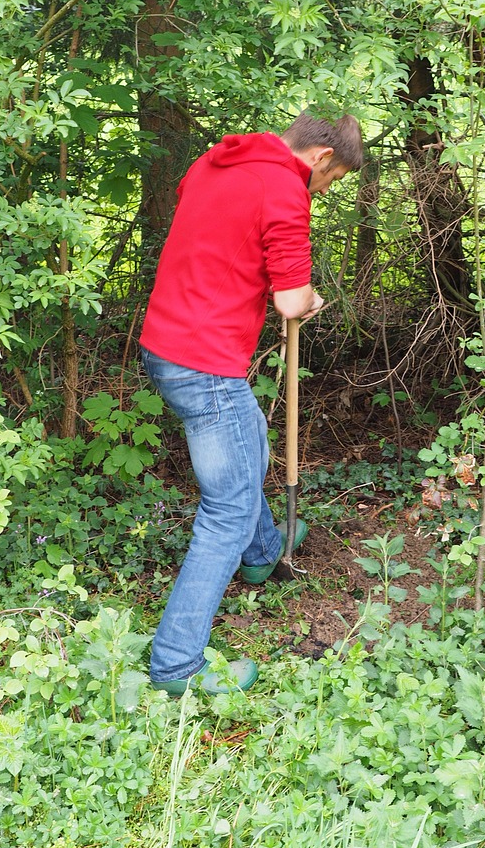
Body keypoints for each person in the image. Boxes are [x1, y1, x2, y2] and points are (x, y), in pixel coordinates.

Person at [139, 111, 364, 695]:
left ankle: (265, 551)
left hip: (164, 346)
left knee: (247, 450)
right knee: (227, 510)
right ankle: (176, 667)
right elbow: (291, 301)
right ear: (319, 158)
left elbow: (219, 243)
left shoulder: (215, 162)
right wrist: (310, 300)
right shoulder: (284, 189)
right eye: (332, 180)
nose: (323, 189)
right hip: (205, 363)